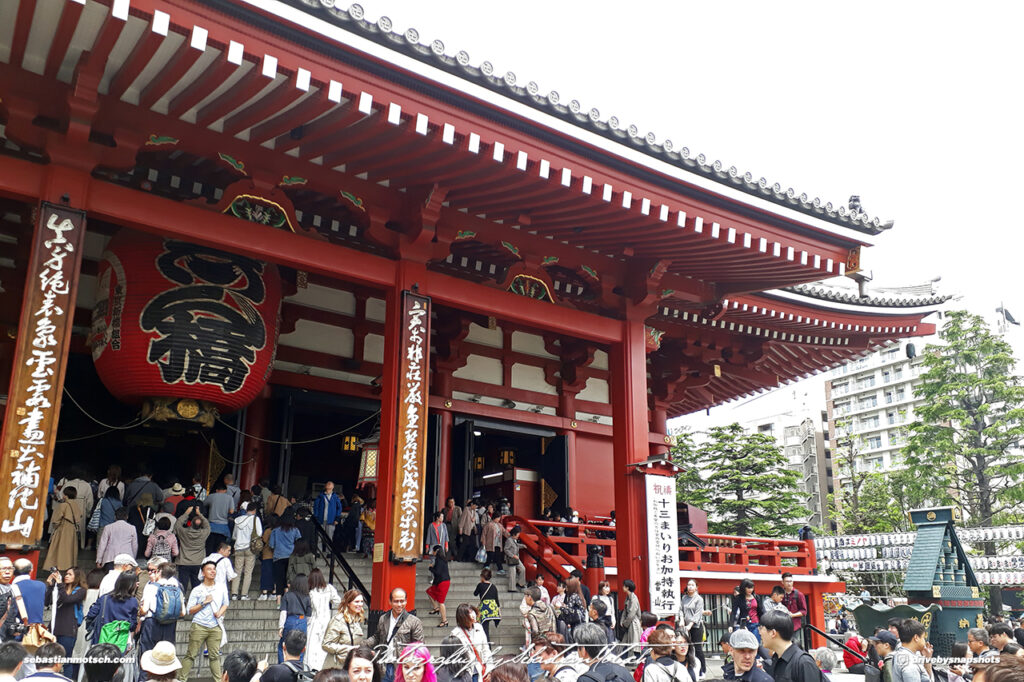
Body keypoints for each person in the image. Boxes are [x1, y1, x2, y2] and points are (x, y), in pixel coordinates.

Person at [179, 560, 230, 681]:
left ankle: (218, 680)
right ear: (203, 573)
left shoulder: (221, 587)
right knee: (191, 655)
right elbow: (189, 610)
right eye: (209, 569)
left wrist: (220, 613)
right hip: (199, 625)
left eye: (214, 569)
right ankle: (181, 679)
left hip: (215, 626)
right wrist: (203, 603)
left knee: (215, 656)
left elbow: (226, 604)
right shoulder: (197, 590)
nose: (213, 571)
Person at [362, 588, 424, 682]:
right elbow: (377, 637)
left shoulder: (414, 622)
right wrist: (362, 644)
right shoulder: (383, 618)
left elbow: (419, 647)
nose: (399, 605)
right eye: (396, 601)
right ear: (390, 602)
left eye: (402, 601)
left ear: (406, 601)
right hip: (383, 667)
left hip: (401, 668)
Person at [43, 567, 86, 681]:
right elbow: (47, 602)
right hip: (54, 628)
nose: (66, 576)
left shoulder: (80, 591)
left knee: (66, 660)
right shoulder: (60, 589)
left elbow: (68, 600)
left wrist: (60, 584)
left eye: (69, 574)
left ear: (77, 577)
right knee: (49, 659)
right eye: (65, 574)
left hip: (68, 629)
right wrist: (51, 585)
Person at [759, 610, 822, 682]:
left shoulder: (803, 662)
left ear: (773, 633)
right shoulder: (776, 659)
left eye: (761, 628)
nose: (760, 633)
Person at [139, 561, 184, 662]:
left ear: (159, 572)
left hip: (152, 624)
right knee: (166, 656)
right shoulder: (177, 587)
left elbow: (145, 610)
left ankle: (146, 677)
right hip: (170, 625)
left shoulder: (151, 586)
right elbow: (183, 613)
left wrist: (140, 610)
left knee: (148, 656)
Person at [86, 571, 139, 647]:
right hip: (120, 641)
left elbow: (91, 615)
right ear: (132, 585)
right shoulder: (133, 602)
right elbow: (132, 625)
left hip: (101, 638)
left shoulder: (104, 598)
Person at [306, 569, 341, 670]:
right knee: (325, 645)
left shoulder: (311, 592)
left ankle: (312, 667)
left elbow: (310, 608)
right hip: (327, 620)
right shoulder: (329, 588)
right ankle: (324, 667)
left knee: (312, 646)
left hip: (314, 621)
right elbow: (338, 601)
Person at [322, 590, 365, 670]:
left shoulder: (357, 620)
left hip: (350, 665)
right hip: (336, 667)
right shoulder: (338, 620)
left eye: (361, 602)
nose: (360, 604)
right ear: (348, 603)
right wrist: (348, 649)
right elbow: (326, 644)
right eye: (356, 602)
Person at [45, 486, 83, 572]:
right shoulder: (76, 505)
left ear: (65, 495)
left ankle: (59, 566)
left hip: (63, 529)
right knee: (70, 550)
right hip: (72, 529)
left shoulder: (63, 505)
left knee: (60, 549)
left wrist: (56, 526)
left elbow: (55, 520)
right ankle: (69, 566)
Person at [451, 604, 491, 682]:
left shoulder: (479, 627)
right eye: (469, 613)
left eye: (473, 611)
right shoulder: (455, 633)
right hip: (464, 674)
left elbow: (486, 649)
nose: (473, 615)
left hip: (479, 671)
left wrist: (489, 670)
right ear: (463, 617)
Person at [175, 506, 211, 592]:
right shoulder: (204, 533)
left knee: (182, 585)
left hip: (184, 562)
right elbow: (207, 526)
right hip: (198, 562)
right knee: (197, 586)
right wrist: (200, 514)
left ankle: (182, 601)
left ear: (190, 523)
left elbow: (177, 524)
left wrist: (186, 513)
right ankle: (197, 603)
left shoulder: (183, 532)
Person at [231, 503, 263, 600]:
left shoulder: (238, 520)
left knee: (237, 571)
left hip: (238, 548)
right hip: (250, 548)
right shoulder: (255, 519)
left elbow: (234, 536)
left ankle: (234, 594)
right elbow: (260, 533)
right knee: (248, 572)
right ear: (254, 510)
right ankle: (244, 595)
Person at [271, 512, 303, 598]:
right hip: (291, 556)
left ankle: (278, 599)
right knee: (290, 577)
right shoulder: (295, 530)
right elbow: (299, 541)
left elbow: (271, 545)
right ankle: (289, 596)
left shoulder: (275, 530)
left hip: (278, 556)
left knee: (279, 578)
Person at [679, 580, 706, 677]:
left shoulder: (699, 599)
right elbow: (681, 610)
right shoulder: (684, 598)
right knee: (687, 648)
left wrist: (690, 625)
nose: (690, 587)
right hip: (685, 626)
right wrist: (681, 620)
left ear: (696, 587)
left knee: (697, 648)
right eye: (689, 585)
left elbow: (697, 614)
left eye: (692, 585)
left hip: (696, 626)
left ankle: (702, 670)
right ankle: (689, 668)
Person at [205, 483, 235, 555]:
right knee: (220, 550)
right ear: (225, 490)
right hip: (223, 528)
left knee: (209, 549)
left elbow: (204, 504)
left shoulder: (211, 496)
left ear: (216, 490)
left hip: (211, 527)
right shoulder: (229, 497)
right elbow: (231, 511)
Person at [424, 545, 451, 628]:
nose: (433, 552)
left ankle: (444, 620)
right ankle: (436, 608)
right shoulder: (443, 559)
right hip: (441, 582)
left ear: (436, 551)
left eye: (433, 551)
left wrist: (431, 568)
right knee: (429, 591)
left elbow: (437, 573)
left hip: (443, 583)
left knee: (441, 602)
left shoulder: (439, 560)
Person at [781, 573, 809, 648]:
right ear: (782, 582)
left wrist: (793, 615)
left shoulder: (799, 594)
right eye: (787, 581)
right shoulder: (780, 594)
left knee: (795, 646)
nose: (789, 583)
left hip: (795, 625)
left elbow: (804, 611)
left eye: (790, 581)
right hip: (782, 625)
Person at [472, 569, 501, 638]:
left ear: (482, 576)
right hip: (493, 608)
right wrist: (499, 611)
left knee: (484, 627)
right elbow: (496, 599)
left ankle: (486, 643)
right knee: (485, 626)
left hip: (485, 608)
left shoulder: (480, 585)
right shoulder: (493, 586)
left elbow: (475, 593)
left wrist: (480, 584)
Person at [557, 577, 587, 642]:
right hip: (581, 623)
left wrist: (560, 607)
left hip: (576, 625)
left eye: (567, 586)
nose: (566, 588)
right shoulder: (579, 595)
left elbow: (568, 611)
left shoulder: (573, 596)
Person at [260, 515, 279, 600]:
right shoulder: (279, 530)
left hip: (267, 554)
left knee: (266, 574)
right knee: (275, 574)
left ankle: (264, 592)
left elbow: (263, 541)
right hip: (277, 555)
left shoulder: (268, 530)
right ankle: (274, 592)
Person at [504, 526, 526, 592]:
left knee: (523, 569)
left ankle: (520, 583)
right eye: (518, 534)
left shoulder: (514, 540)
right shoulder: (509, 540)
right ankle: (512, 588)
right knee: (512, 572)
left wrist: (522, 546)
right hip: (511, 559)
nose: (518, 536)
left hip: (516, 558)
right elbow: (506, 549)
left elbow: (517, 545)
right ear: (514, 534)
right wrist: (513, 555)